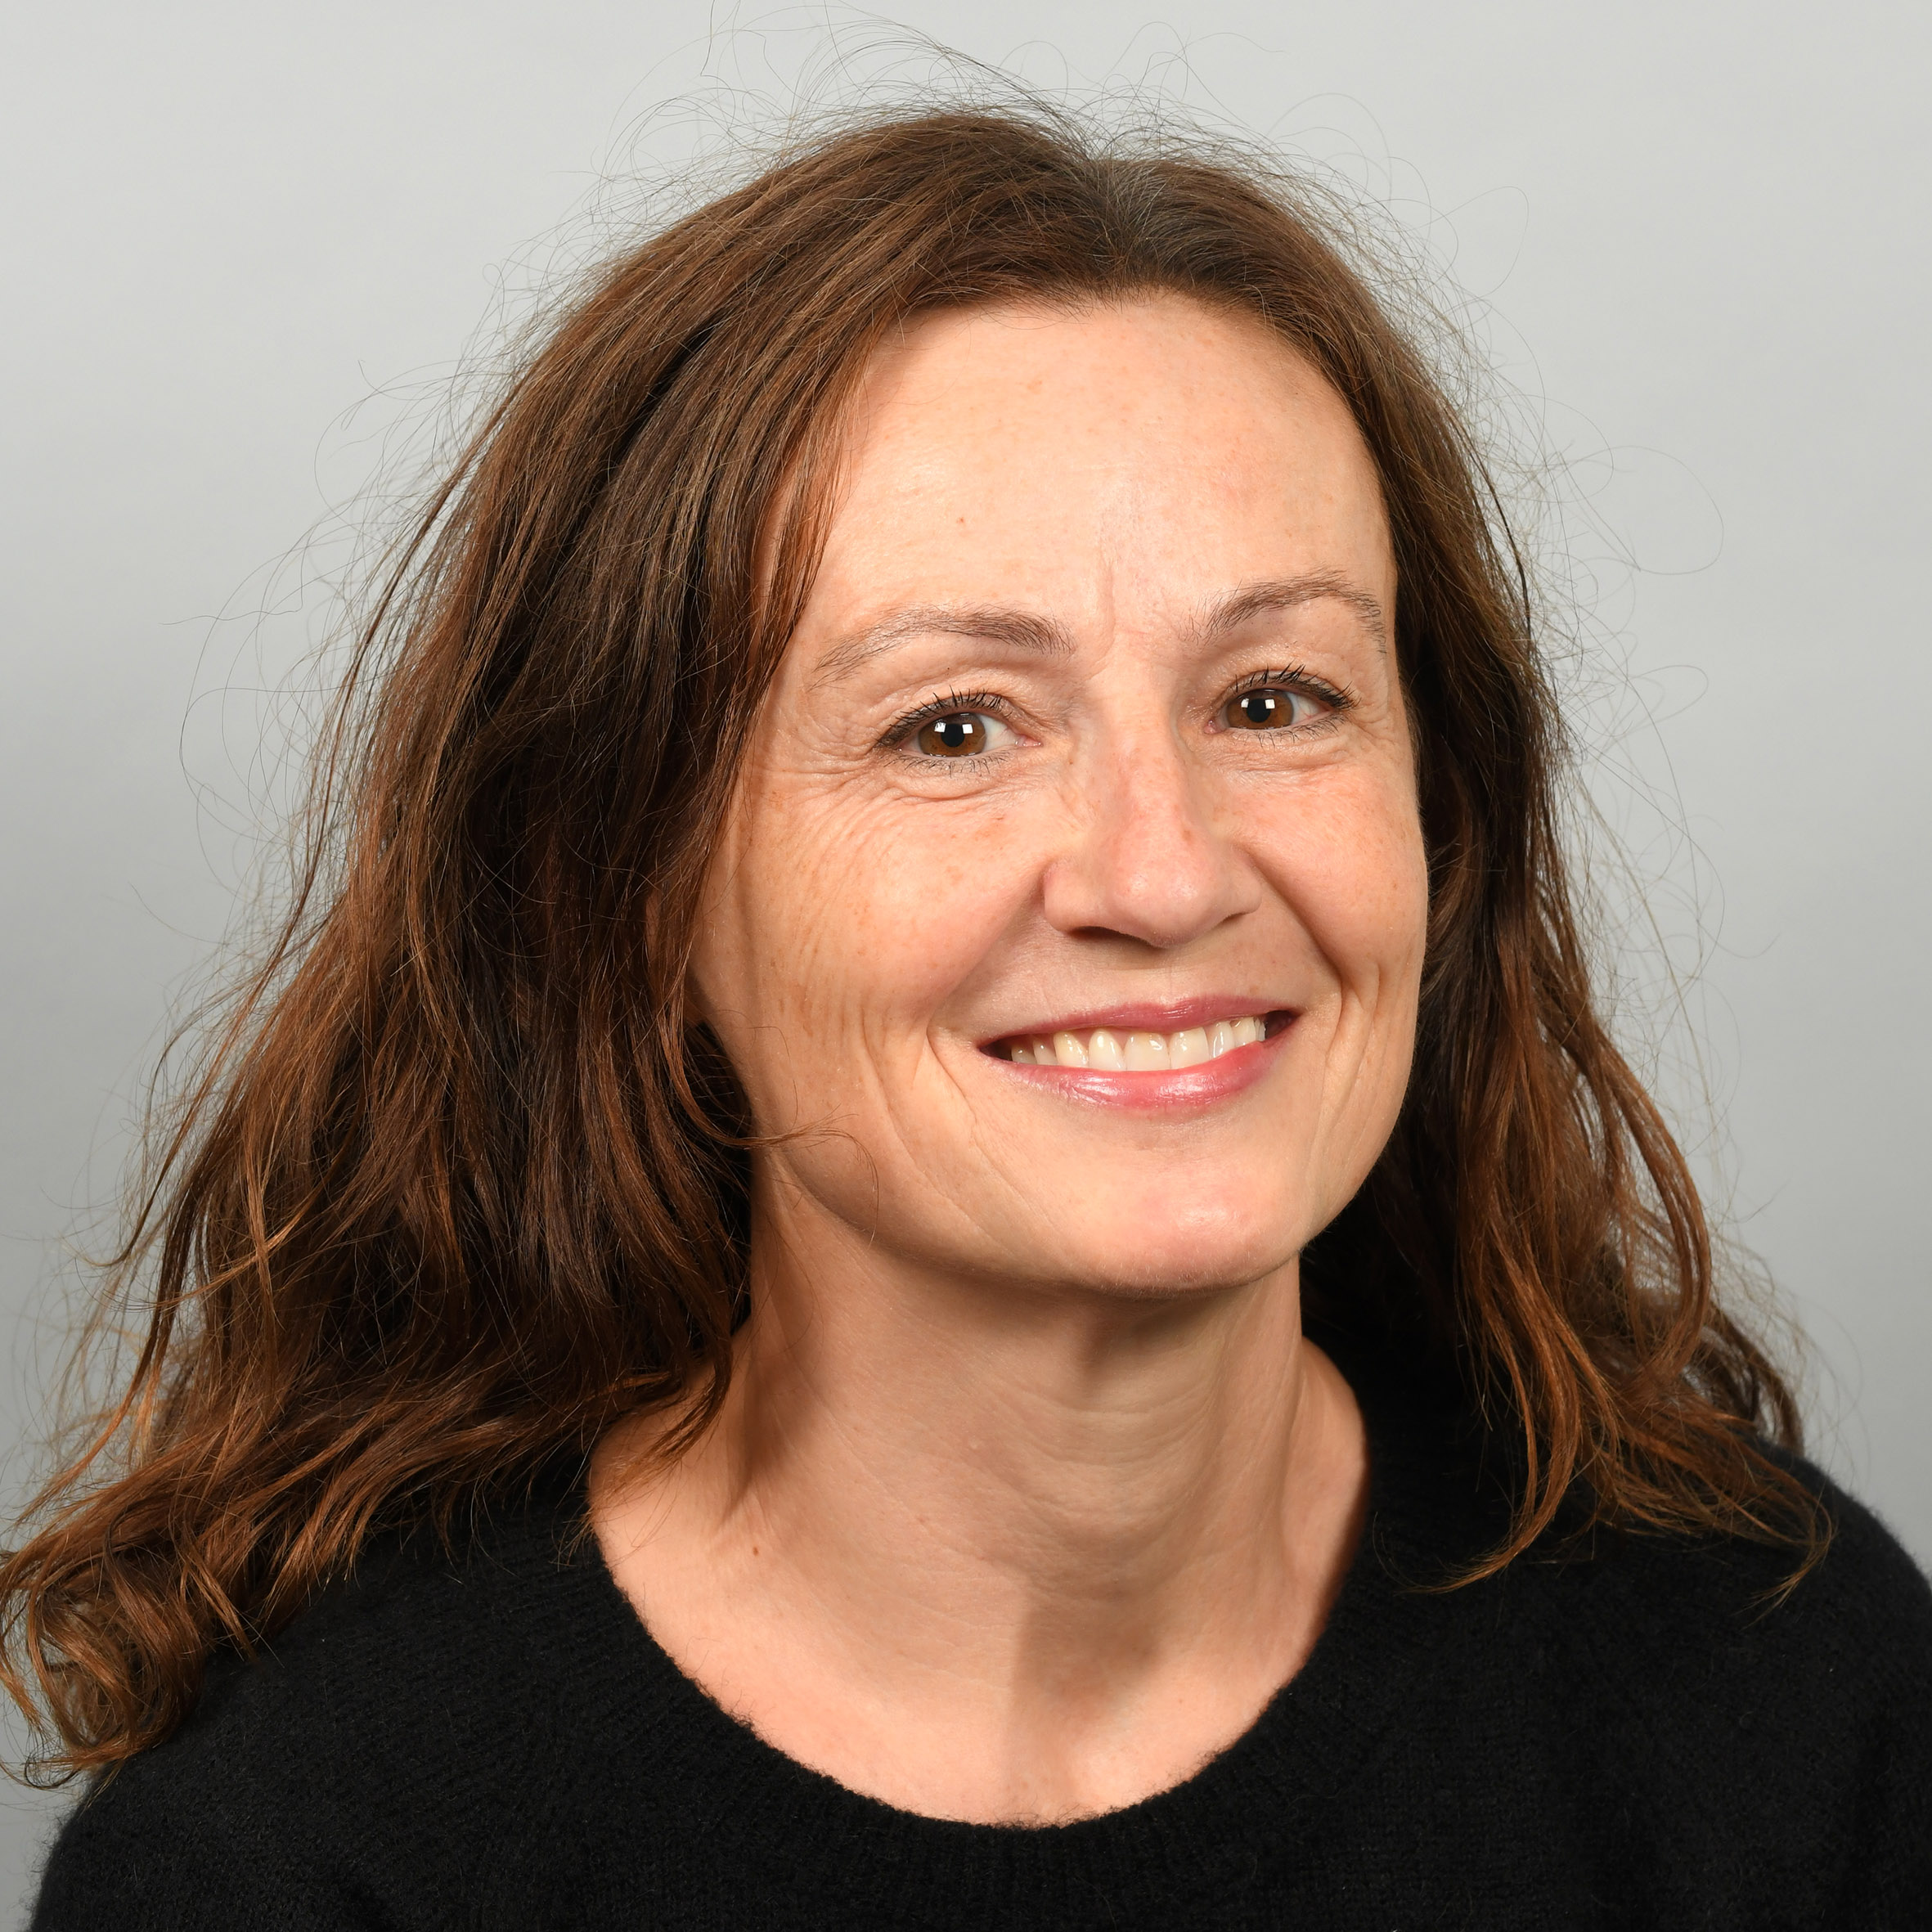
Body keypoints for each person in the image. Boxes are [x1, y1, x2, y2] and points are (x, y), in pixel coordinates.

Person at [9, 103, 1930, 1930]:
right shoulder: (306, 1861)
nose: (1162, 873)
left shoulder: (1778, 1690)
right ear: (625, 886)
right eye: (950, 728)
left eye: (1272, 698)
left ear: (1439, 811)